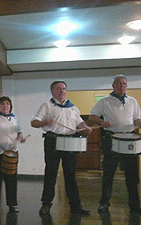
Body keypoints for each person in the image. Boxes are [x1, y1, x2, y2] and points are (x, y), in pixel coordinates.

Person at [31, 80, 92, 216]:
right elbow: (34, 122)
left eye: (64, 88)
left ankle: (76, 206)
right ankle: (46, 204)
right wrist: (44, 122)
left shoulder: (73, 108)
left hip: (69, 142)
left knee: (70, 175)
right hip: (52, 141)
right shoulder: (47, 106)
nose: (62, 91)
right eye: (58, 88)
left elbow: (79, 123)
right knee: (51, 174)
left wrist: (85, 128)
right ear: (52, 91)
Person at [89, 75, 141, 214]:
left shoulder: (133, 101)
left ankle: (135, 204)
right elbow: (92, 116)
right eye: (118, 83)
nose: (122, 85)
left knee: (132, 175)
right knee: (108, 173)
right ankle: (104, 203)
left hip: (129, 140)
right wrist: (101, 122)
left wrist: (138, 123)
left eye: (124, 83)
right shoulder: (105, 101)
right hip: (111, 139)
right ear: (113, 86)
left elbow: (136, 118)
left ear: (127, 86)